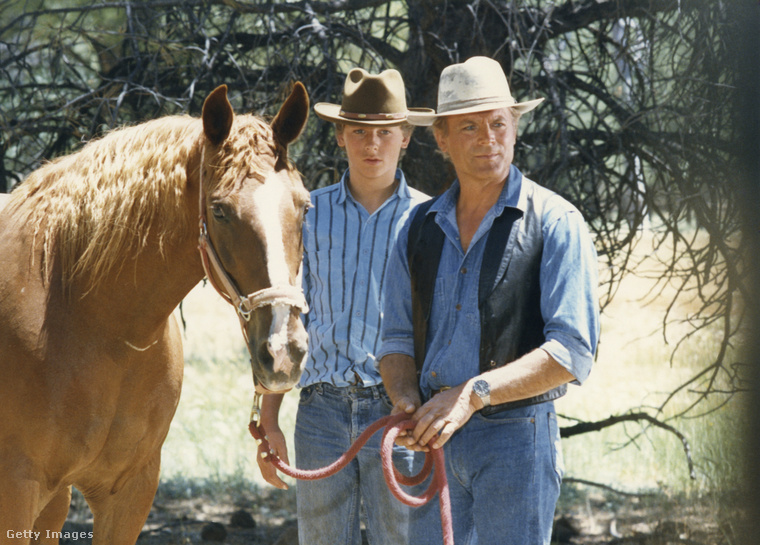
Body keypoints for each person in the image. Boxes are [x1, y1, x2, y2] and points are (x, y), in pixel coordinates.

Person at [377, 56, 600, 545]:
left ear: (515, 127)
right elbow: (394, 339)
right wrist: (407, 400)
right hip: (432, 440)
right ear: (441, 138)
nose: (488, 138)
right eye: (470, 126)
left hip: (516, 439)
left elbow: (571, 352)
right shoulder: (416, 227)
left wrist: (473, 393)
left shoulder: (556, 222)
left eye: (499, 123)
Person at [256, 68, 431, 545]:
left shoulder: (429, 218)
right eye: (359, 132)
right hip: (321, 412)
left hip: (399, 413)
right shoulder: (311, 213)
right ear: (339, 136)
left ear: (405, 137)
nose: (372, 145)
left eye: (384, 133)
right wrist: (270, 419)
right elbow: (290, 318)